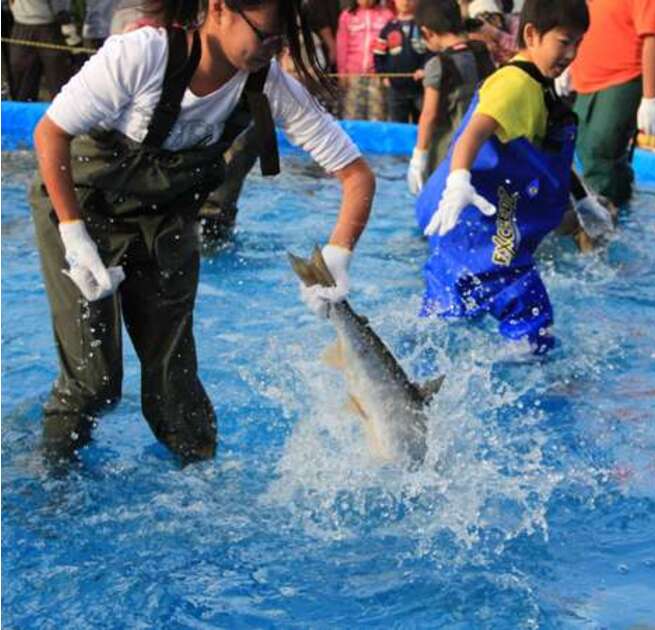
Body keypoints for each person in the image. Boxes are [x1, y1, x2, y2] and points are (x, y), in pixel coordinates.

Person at [29, 0, 375, 465]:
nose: (272, 51)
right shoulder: (142, 55)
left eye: (280, 42)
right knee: (94, 382)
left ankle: (199, 476)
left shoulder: (266, 83)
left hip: (166, 222)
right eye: (265, 36)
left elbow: (357, 176)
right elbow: (50, 134)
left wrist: (338, 255)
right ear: (219, 8)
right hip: (81, 207)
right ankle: (52, 480)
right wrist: (74, 238)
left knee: (176, 386)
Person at [415, 0, 613, 355]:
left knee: (449, 316)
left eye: (578, 44)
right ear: (531, 34)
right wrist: (458, 180)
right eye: (564, 42)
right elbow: (474, 132)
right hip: (478, 225)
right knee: (529, 318)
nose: (571, 53)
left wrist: (582, 200)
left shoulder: (540, 84)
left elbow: (542, 157)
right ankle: (540, 388)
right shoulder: (514, 83)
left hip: (483, 230)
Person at [569, 0, 655, 206]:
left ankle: (601, 225)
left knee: (601, 156)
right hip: (586, 79)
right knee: (581, 151)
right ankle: (613, 214)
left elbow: (654, 36)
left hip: (622, 78)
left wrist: (652, 96)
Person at [406, 0, 494, 195]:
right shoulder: (481, 51)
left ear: (427, 32)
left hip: (448, 151)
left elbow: (429, 115)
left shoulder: (437, 65)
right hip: (483, 145)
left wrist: (418, 156)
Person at [336, 0, 394, 120]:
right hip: (353, 74)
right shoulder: (347, 16)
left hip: (377, 75)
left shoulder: (387, 15)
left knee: (377, 114)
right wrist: (342, 72)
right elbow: (342, 45)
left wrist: (386, 71)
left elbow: (391, 46)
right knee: (351, 114)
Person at [373, 0, 428, 123]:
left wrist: (425, 68)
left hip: (421, 87)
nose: (406, 2)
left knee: (422, 123)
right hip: (396, 87)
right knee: (397, 124)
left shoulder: (423, 26)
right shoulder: (388, 27)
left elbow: (432, 52)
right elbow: (378, 54)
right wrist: (383, 76)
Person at [7, 0, 75, 101]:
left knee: (58, 84)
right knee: (23, 88)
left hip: (50, 27)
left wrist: (63, 16)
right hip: (22, 26)